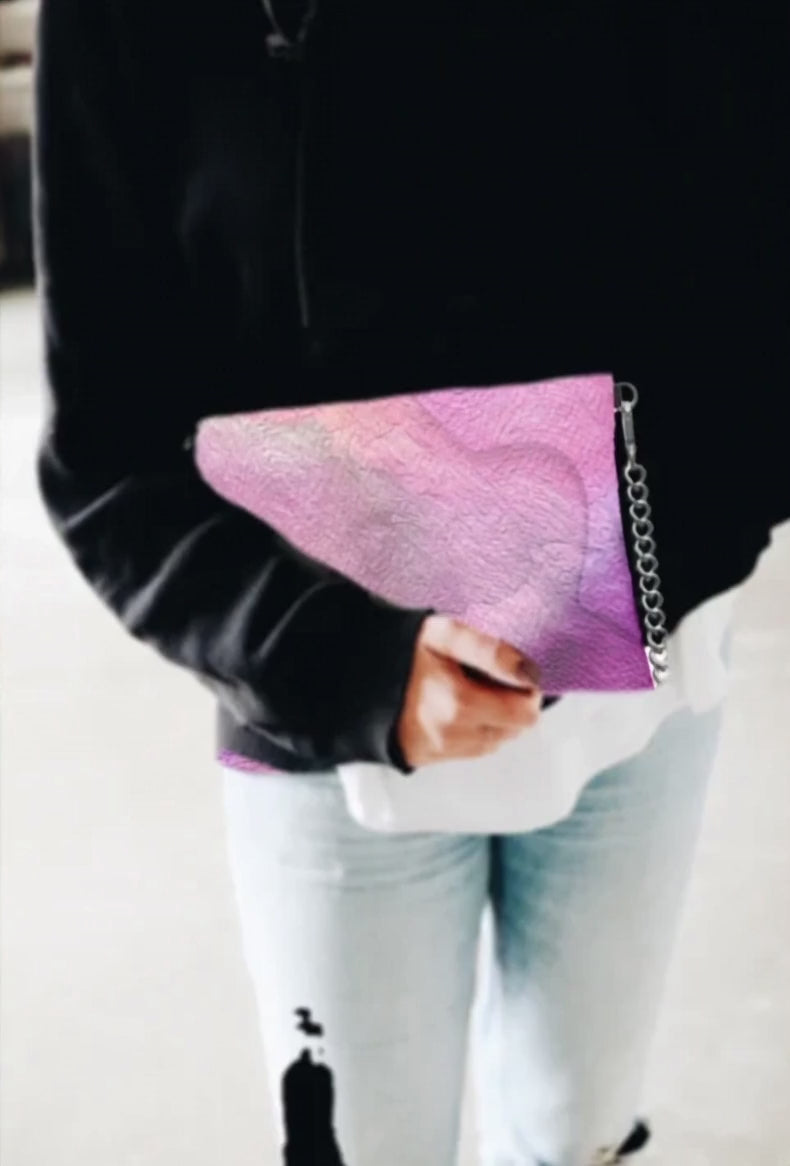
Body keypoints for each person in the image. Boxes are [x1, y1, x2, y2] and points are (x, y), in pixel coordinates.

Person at [32, 2, 788, 1164]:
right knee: (366, 1140)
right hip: (315, 702)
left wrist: (636, 558)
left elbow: (752, 296)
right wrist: (341, 662)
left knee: (576, 1127)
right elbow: (108, 451)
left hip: (640, 653)